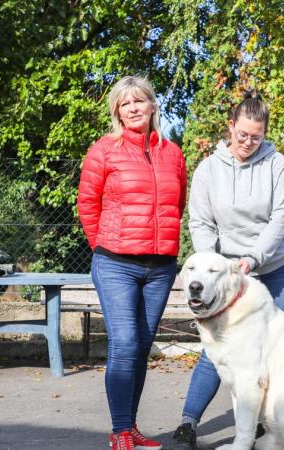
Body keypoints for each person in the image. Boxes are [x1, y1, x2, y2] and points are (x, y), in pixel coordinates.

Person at [171, 90, 284, 449]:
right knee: (219, 347)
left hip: (272, 266)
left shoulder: (276, 164)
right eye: (242, 135)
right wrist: (214, 265)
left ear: (265, 133)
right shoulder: (209, 169)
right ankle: (188, 424)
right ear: (230, 127)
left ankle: (258, 425)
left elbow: (280, 217)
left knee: (266, 350)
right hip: (225, 273)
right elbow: (201, 221)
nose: (248, 142)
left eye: (256, 137)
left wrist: (254, 257)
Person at [77, 75, 187, 450]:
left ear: (153, 106)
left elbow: (178, 205)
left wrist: (163, 245)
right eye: (126, 104)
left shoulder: (173, 153)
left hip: (160, 267)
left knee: (141, 346)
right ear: (117, 112)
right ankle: (120, 430)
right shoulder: (103, 150)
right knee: (124, 343)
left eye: (140, 101)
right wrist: (105, 244)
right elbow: (87, 204)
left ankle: (131, 426)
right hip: (116, 263)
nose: (134, 108)